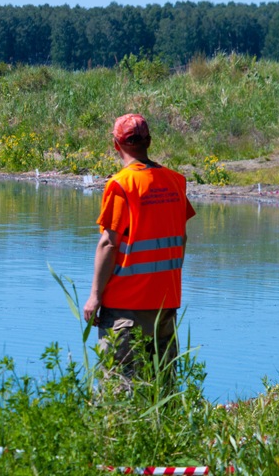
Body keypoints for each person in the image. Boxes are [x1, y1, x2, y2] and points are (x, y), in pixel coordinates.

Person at [83, 113, 196, 385]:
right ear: (150, 142)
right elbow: (181, 238)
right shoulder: (175, 181)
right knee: (162, 389)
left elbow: (109, 243)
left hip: (125, 307)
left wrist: (94, 297)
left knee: (119, 392)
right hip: (165, 303)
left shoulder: (121, 184)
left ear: (116, 144)